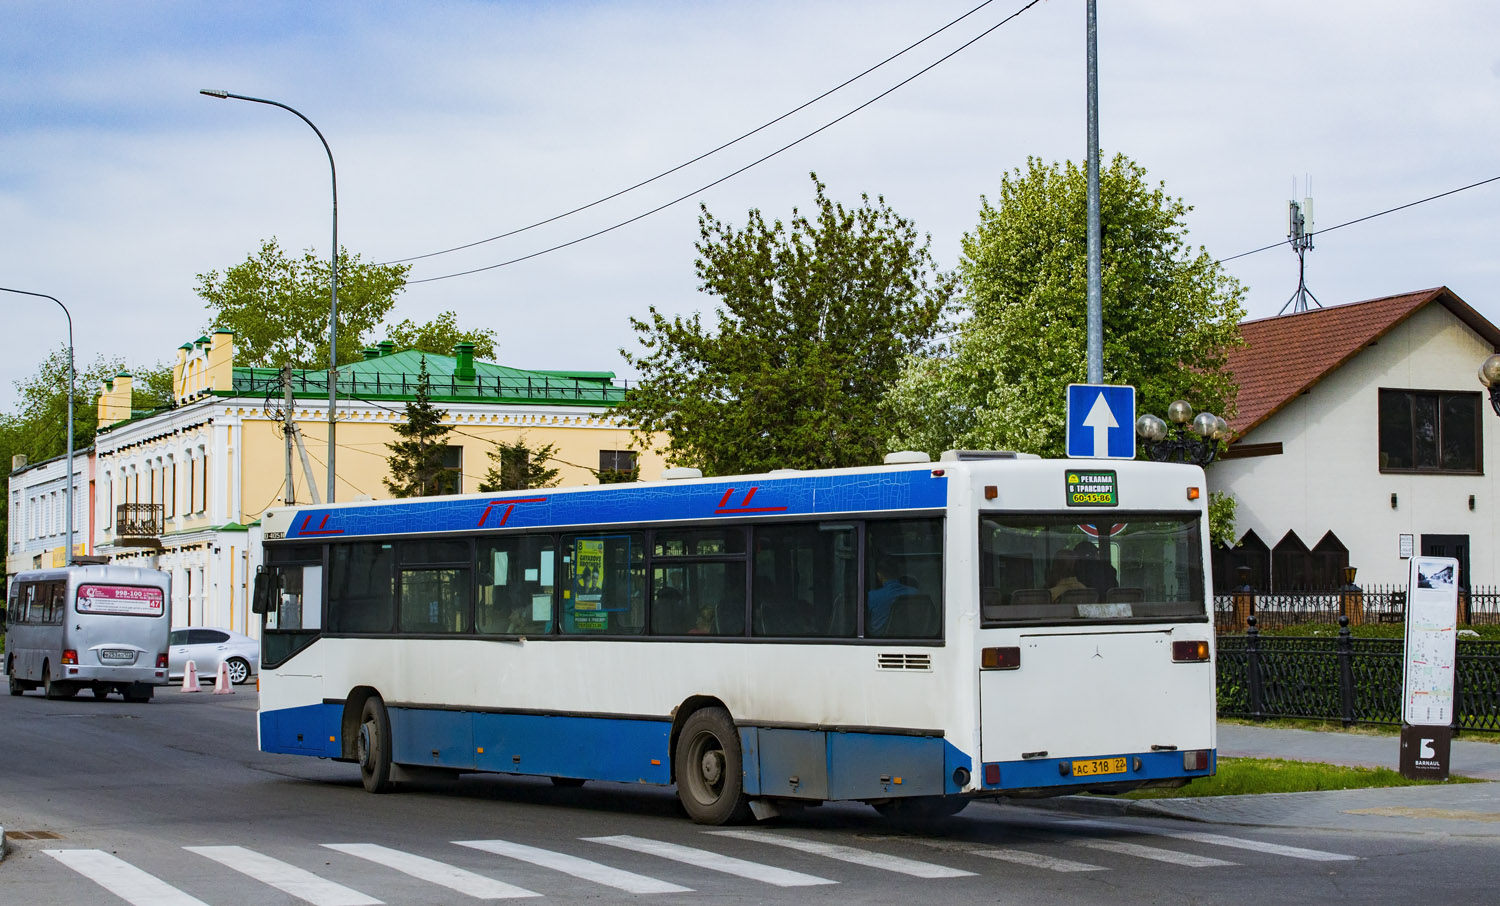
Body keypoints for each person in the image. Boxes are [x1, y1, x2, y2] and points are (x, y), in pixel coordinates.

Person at [867, 557, 916, 635]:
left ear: (879, 575)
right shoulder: (914, 593)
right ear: (898, 574)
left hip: (878, 642)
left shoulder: (872, 596)